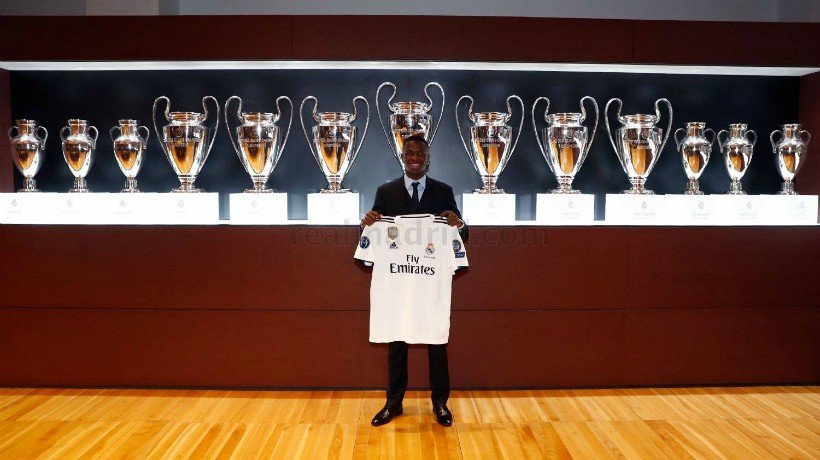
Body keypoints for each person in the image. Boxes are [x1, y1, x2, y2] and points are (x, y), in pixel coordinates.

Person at [360, 134, 467, 428]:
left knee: (436, 341)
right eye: (410, 152)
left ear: (428, 158)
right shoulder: (386, 192)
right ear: (403, 157)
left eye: (420, 152)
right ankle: (393, 403)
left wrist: (458, 223)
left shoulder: (444, 192)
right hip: (398, 284)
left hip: (429, 283)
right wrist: (366, 225)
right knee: (397, 341)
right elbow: (372, 236)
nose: (415, 156)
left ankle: (440, 403)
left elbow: (461, 234)